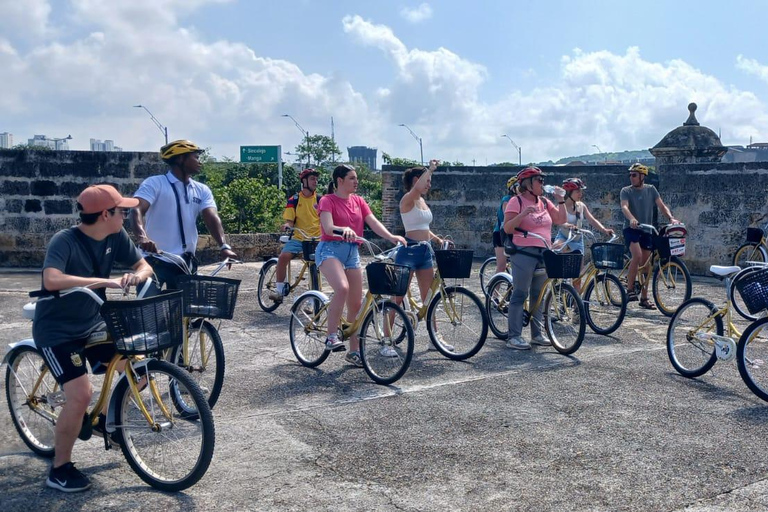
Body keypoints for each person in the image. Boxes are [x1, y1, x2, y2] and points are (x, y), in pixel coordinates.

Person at [33, 184, 154, 492]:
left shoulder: (116, 236)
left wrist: (135, 277)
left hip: (94, 323)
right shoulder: (65, 241)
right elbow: (51, 278)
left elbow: (144, 265)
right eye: (122, 211)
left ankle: (104, 419)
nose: (126, 215)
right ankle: (59, 469)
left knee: (138, 370)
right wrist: (104, 281)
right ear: (105, 214)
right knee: (80, 395)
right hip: (58, 330)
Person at [315, 164, 407, 367]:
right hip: (330, 250)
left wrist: (392, 237)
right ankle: (331, 336)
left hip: (352, 252)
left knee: (356, 305)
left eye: (356, 178)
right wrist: (343, 229)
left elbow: (373, 222)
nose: (356, 182)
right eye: (352, 178)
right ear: (339, 181)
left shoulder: (358, 201)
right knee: (342, 288)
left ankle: (354, 351)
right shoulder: (327, 200)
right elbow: (328, 227)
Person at [131, 140, 237, 292]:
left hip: (185, 262)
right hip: (155, 261)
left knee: (185, 313)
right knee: (149, 310)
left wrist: (223, 246)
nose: (200, 162)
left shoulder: (201, 189)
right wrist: (143, 238)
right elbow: (137, 209)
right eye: (195, 157)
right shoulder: (155, 183)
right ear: (180, 159)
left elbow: (212, 217)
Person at [503, 166, 567, 350]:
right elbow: (507, 228)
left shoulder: (545, 202)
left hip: (543, 251)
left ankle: (537, 334)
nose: (543, 183)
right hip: (524, 252)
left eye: (542, 180)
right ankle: (514, 336)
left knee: (539, 295)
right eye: (539, 180)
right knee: (520, 293)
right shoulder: (517, 202)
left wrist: (561, 201)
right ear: (528, 184)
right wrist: (523, 214)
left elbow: (560, 220)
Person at [393, 159, 452, 351]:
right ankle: (387, 339)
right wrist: (432, 168)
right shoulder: (407, 199)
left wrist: (437, 239)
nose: (429, 184)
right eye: (427, 180)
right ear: (417, 179)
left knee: (428, 298)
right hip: (408, 250)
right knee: (398, 298)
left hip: (425, 250)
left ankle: (434, 338)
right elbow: (414, 226)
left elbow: (423, 227)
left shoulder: (422, 201)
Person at [620, 163, 680, 309]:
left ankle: (644, 298)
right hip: (632, 229)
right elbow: (624, 207)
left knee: (647, 266)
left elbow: (661, 205)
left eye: (634, 175)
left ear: (642, 176)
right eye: (630, 175)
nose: (631, 177)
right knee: (637, 255)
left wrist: (671, 219)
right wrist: (632, 219)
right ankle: (629, 290)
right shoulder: (626, 191)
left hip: (646, 229)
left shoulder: (651, 190)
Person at [553, 177, 615, 291]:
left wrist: (604, 230)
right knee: (556, 248)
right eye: (577, 191)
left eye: (581, 191)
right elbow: (558, 221)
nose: (580, 194)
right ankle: (558, 282)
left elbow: (592, 220)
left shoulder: (581, 206)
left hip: (577, 240)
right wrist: (566, 225)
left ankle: (577, 305)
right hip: (565, 237)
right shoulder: (561, 206)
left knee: (578, 276)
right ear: (569, 192)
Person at [269, 168, 322, 301]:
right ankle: (279, 290)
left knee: (319, 266)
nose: (315, 181)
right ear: (304, 181)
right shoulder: (295, 199)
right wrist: (287, 225)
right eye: (312, 179)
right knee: (283, 257)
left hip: (317, 239)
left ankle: (313, 300)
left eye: (316, 179)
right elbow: (290, 221)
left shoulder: (321, 199)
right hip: (299, 237)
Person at [493, 176, 519, 273]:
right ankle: (493, 287)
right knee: (501, 266)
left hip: (514, 234)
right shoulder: (507, 199)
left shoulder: (522, 200)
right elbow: (507, 216)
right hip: (501, 234)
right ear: (512, 188)